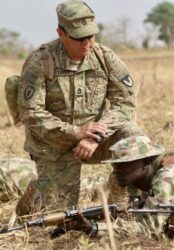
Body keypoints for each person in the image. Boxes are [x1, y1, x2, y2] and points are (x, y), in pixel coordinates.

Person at [16, 0, 143, 215]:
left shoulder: (104, 57)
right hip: (54, 144)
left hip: (96, 140)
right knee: (59, 216)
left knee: (134, 139)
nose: (87, 43)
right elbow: (31, 113)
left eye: (91, 36)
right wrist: (75, 132)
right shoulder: (40, 61)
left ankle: (118, 207)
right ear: (61, 33)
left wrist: (94, 136)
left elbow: (125, 101)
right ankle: (36, 194)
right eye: (79, 38)